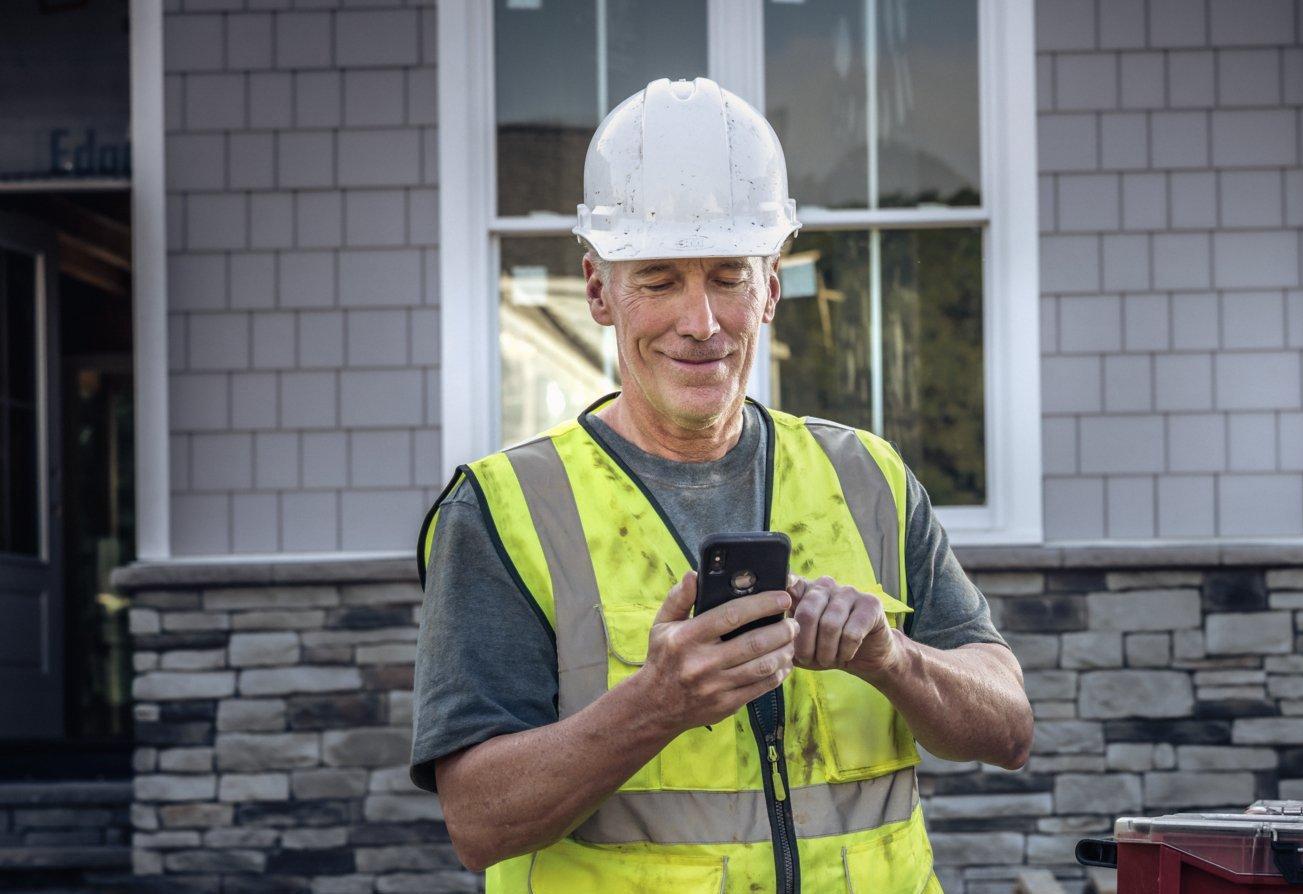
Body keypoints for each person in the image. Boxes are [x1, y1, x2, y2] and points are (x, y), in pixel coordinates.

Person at [409, 77, 1033, 893]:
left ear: (771, 286)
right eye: (659, 278)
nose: (700, 322)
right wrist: (657, 702)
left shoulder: (867, 479)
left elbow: (1008, 729)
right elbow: (480, 823)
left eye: (729, 277)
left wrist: (890, 657)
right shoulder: (506, 510)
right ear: (600, 291)